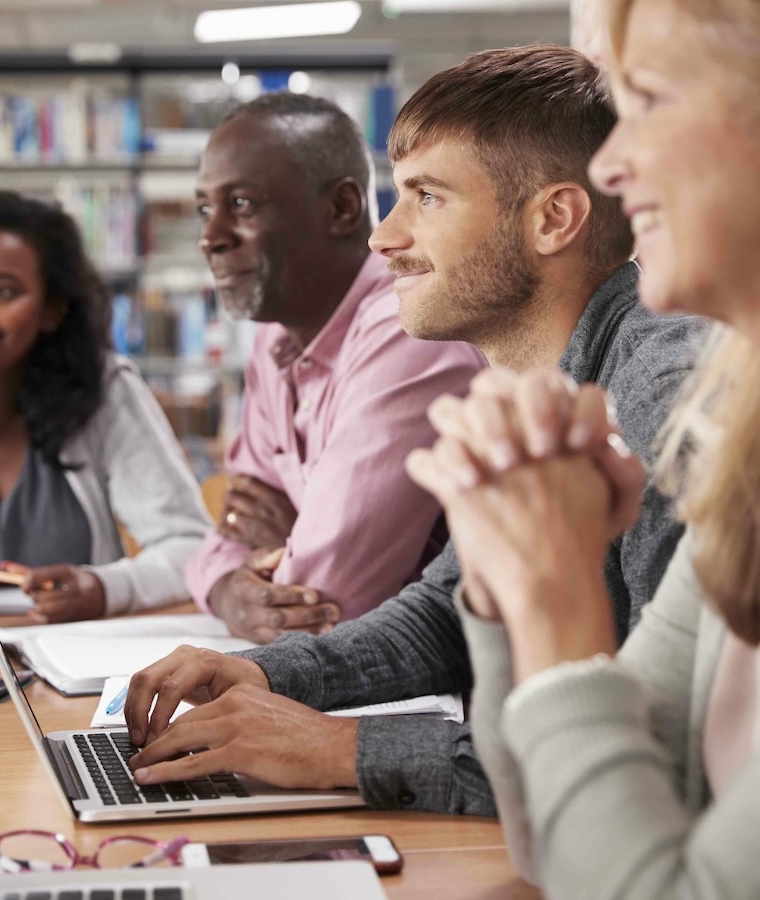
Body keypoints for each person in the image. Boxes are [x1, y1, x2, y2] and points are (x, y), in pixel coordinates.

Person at [121, 46, 702, 811]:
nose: (382, 237)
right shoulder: (537, 389)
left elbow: (666, 748)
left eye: (426, 197)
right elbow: (446, 613)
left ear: (553, 218)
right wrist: (268, 674)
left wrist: (340, 748)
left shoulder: (666, 401)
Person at [402, 0, 760, 895]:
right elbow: (559, 840)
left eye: (649, 101)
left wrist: (554, 605)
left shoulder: (663, 379)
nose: (611, 161)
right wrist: (502, 581)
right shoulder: (745, 448)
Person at [184, 92, 485, 644]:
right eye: (205, 208)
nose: (211, 237)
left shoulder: (408, 330)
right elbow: (223, 535)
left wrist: (290, 537)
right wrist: (229, 590)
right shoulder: (276, 335)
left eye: (243, 204)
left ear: (343, 208)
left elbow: (325, 602)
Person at [0, 190, 210, 621]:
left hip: (66, 674)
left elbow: (192, 547)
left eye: (3, 291)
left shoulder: (106, 389)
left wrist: (106, 588)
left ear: (53, 310)